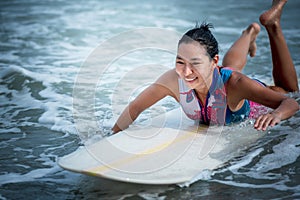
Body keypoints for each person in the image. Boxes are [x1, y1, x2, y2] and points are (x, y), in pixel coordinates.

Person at [112, 0, 299, 133]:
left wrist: (276, 115)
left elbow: (290, 103)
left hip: (249, 93)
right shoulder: (173, 80)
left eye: (195, 63)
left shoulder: (236, 84)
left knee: (290, 90)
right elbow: (135, 108)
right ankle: (249, 32)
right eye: (180, 62)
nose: (185, 72)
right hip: (220, 77)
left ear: (213, 61)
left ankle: (273, 25)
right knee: (231, 66)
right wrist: (112, 136)